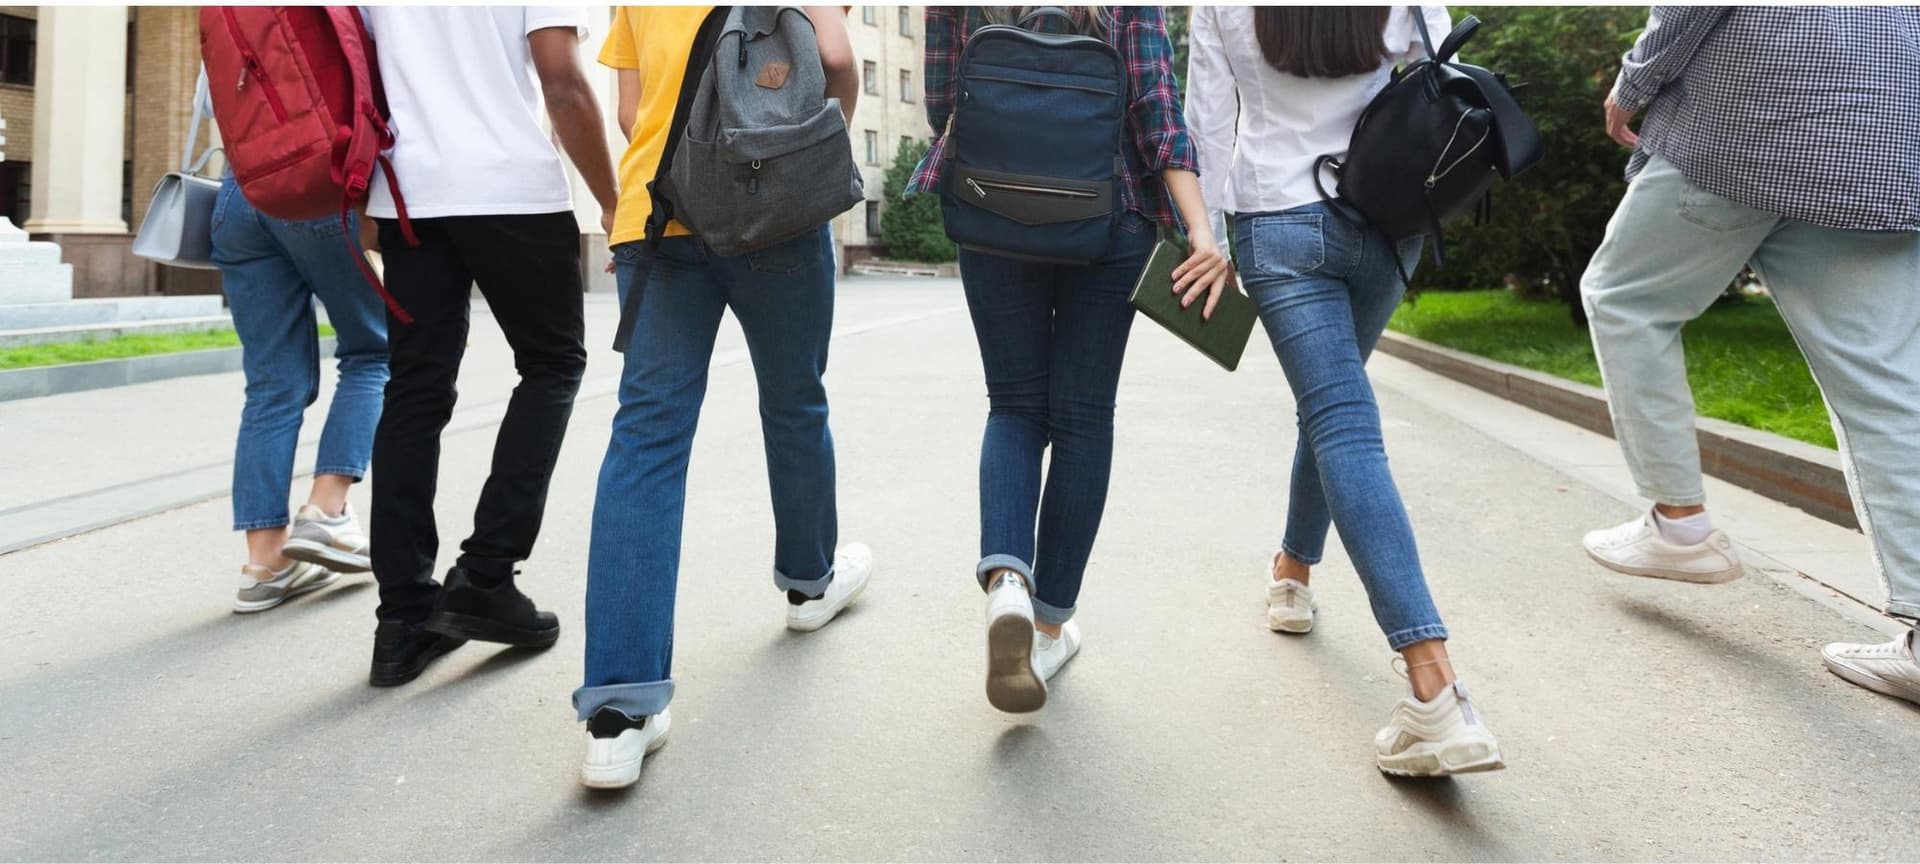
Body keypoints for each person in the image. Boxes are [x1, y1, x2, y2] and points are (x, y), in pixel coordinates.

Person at [1187, 5, 1506, 776]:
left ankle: (1435, 687)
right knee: (1337, 413)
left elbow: (1207, 119)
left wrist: (1212, 237)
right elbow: (1437, 57)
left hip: (1278, 223)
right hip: (1387, 211)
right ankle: (1292, 571)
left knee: (1339, 422)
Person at [1578, 7, 1920, 704]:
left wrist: (1633, 81)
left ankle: (1679, 525)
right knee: (1881, 380)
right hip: (1884, 140)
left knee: (1626, 299)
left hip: (1751, 118)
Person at [571, 6, 867, 789]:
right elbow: (835, 62)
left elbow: (633, 111)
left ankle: (618, 711)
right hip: (773, 207)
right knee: (796, 401)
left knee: (647, 441)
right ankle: (809, 582)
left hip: (659, 209)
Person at [912, 6, 1232, 715]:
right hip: (1107, 218)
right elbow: (1156, 116)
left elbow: (945, 104)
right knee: (1084, 419)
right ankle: (1050, 623)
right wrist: (1202, 229)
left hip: (992, 214)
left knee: (1014, 406)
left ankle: (1006, 585)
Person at [360, 6, 620, 687]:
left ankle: (402, 621)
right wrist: (611, 202)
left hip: (408, 196)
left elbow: (356, 77)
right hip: (511, 191)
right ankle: (485, 575)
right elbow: (561, 81)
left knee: (414, 391)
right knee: (553, 364)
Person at [204, 67, 390, 615]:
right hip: (315, 184)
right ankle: (326, 510)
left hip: (238, 194)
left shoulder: (229, 14)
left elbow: (217, 106)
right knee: (374, 350)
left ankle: (265, 564)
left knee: (271, 384)